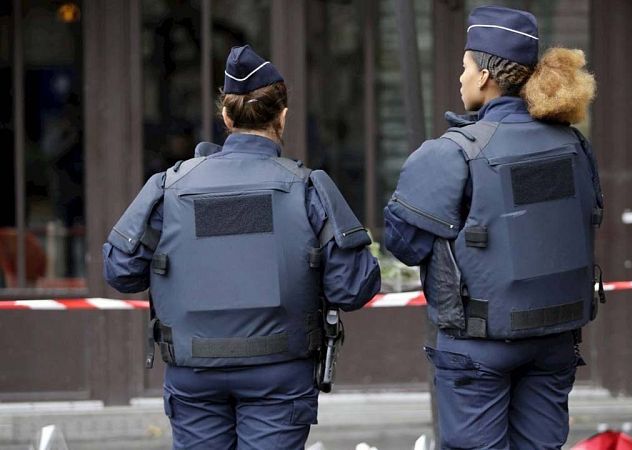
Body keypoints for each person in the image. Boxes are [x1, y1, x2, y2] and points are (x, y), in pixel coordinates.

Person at [104, 44, 380, 450]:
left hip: (194, 374)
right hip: (279, 374)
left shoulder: (170, 186)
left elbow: (120, 271)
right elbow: (353, 288)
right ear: (282, 117)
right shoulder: (308, 189)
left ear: (226, 116)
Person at [384, 6, 602, 450]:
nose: (459, 77)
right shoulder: (574, 144)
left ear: (484, 75)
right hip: (555, 341)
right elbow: (590, 215)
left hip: (478, 348)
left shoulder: (453, 153)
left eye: (463, 67)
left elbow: (402, 243)